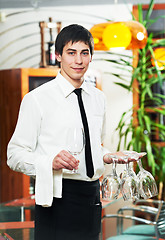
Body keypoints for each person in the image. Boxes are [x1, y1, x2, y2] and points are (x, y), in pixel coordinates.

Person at [7, 24, 137, 240]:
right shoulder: (37, 99)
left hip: (92, 198)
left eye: (84, 53)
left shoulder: (98, 98)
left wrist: (108, 156)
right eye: (71, 53)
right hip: (57, 198)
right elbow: (14, 155)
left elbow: (94, 146)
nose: (78, 60)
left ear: (91, 57)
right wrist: (49, 161)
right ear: (58, 55)